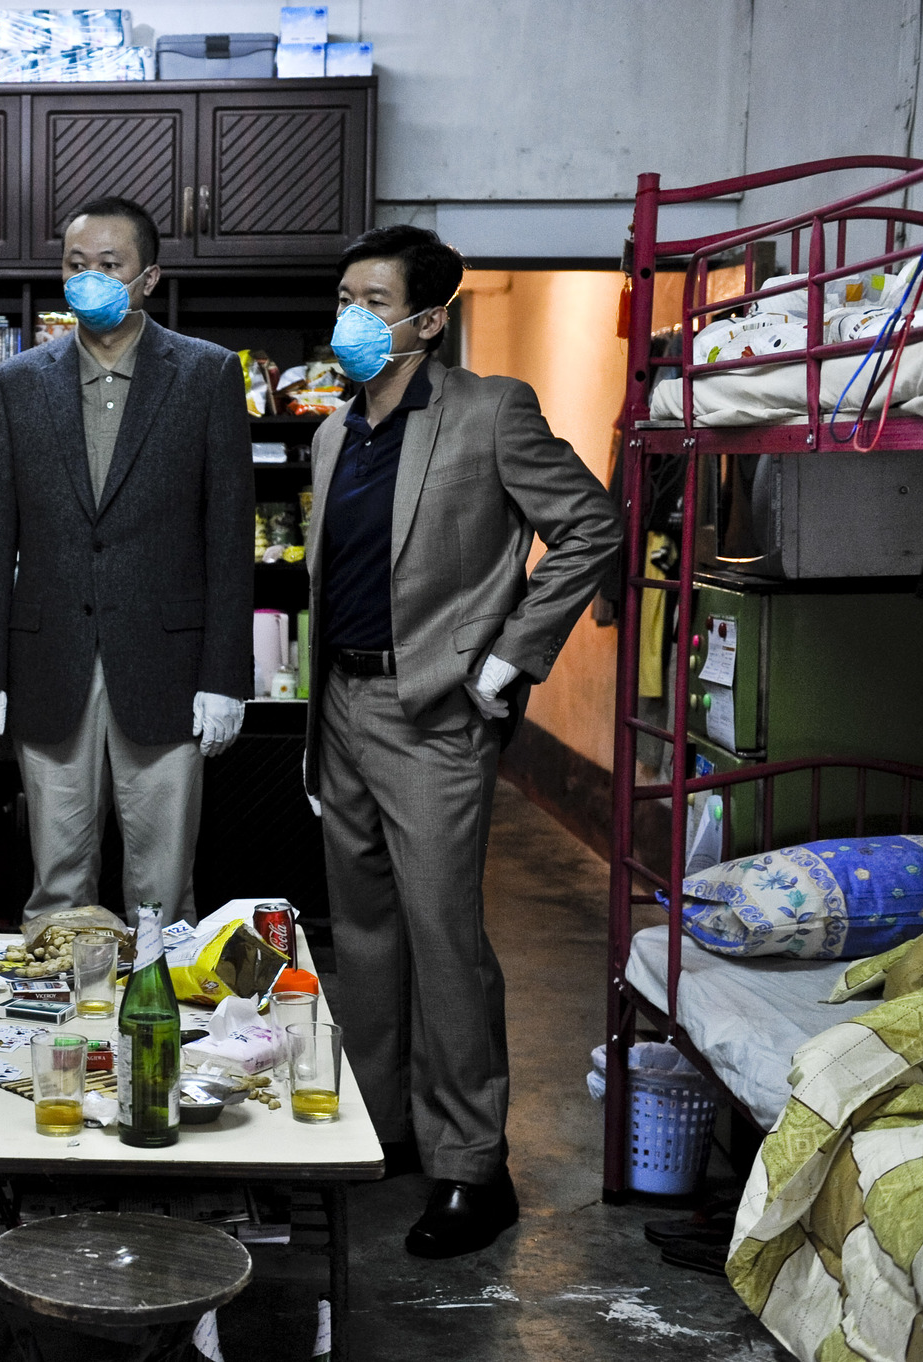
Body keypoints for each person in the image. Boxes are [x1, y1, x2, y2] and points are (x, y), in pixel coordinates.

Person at [303, 224, 621, 1258]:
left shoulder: (489, 412)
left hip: (434, 715)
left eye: (373, 301)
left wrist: (508, 658)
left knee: (442, 938)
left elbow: (590, 525)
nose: (350, 318)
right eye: (343, 298)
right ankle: (388, 1128)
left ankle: (472, 1168)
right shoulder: (333, 432)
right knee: (362, 934)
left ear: (429, 322)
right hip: (341, 707)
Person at [0, 196, 252, 924]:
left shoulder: (207, 374)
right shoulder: (18, 381)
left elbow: (228, 542)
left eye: (110, 265)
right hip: (48, 664)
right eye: (76, 264)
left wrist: (225, 679)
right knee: (57, 887)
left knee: (162, 893)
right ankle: (59, 1003)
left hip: (168, 667)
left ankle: (157, 1002)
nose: (89, 278)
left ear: (148, 278)